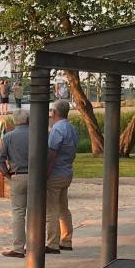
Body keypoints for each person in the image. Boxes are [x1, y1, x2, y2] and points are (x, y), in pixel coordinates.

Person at [0, 110, 30, 257]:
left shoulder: (8, 137)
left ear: (15, 121)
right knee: (36, 213)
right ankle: (35, 245)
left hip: (17, 175)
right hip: (36, 176)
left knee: (18, 212)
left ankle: (18, 247)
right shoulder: (38, 135)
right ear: (28, 119)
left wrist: (7, 174)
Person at [45, 100, 78, 253]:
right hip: (67, 171)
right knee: (63, 207)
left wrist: (46, 173)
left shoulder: (57, 130)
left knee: (52, 209)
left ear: (54, 112)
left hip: (56, 172)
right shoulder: (72, 128)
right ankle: (67, 239)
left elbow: (52, 153)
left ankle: (52, 243)